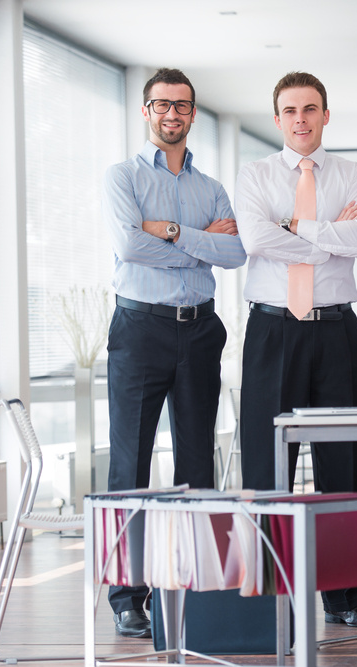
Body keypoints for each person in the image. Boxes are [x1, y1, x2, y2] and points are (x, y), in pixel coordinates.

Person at [234, 71, 357, 629]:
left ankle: (346, 598)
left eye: (311, 108)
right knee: (268, 462)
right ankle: (272, 596)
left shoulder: (353, 174)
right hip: (273, 330)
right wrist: (325, 237)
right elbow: (256, 239)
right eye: (290, 110)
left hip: (337, 332)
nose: (301, 118)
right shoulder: (254, 175)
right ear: (277, 119)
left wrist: (295, 225)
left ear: (325, 115)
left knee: (341, 464)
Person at [101, 67, 246, 639]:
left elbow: (233, 253)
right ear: (146, 110)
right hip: (140, 330)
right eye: (161, 104)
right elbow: (127, 244)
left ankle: (195, 585)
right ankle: (127, 595)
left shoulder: (210, 187)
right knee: (129, 464)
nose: (172, 114)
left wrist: (172, 233)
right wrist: (197, 242)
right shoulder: (123, 177)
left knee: (196, 463)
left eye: (182, 105)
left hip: (200, 331)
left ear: (191, 112)